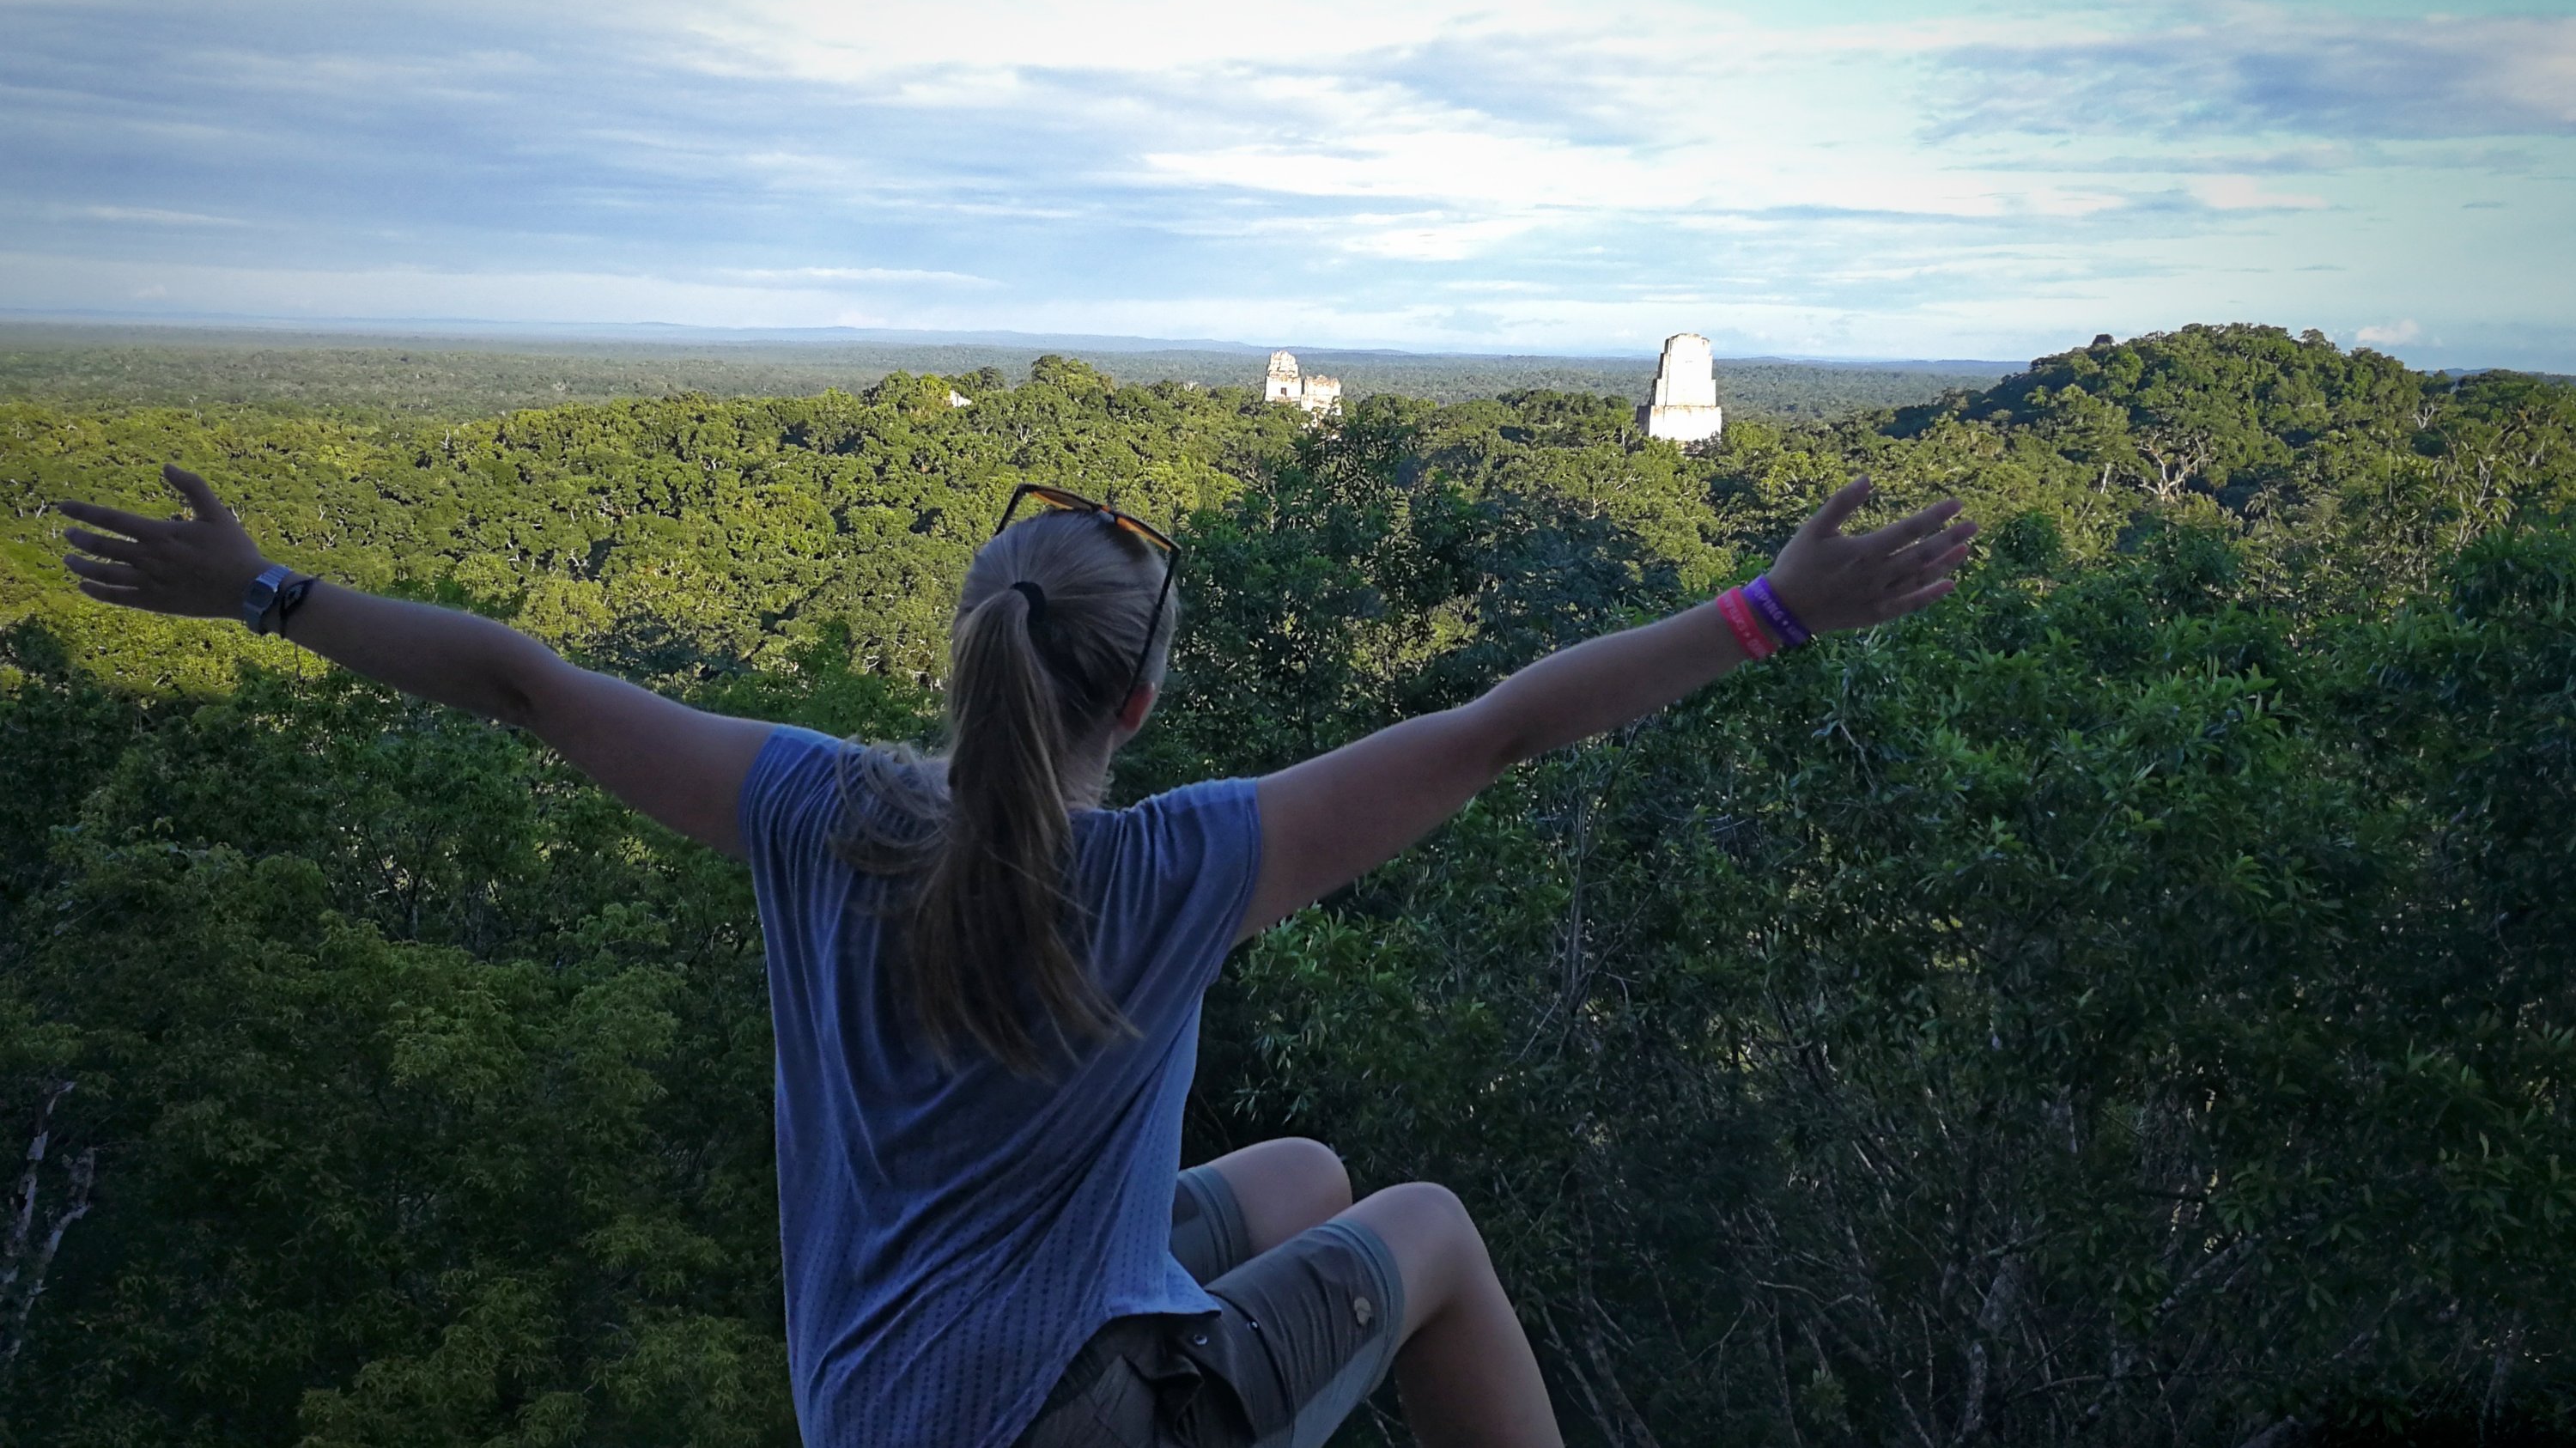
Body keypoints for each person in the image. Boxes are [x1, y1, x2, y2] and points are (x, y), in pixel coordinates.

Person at [58, 464, 1973, 1448]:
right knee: (1441, 1229)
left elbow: (527, 685)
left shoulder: (810, 809)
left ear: (962, 644)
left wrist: (268, 593)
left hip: (875, 1410)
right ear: (1144, 692)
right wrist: (1770, 611)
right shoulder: (1180, 865)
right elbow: (1496, 729)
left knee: (1306, 1177)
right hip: (1070, 1430)